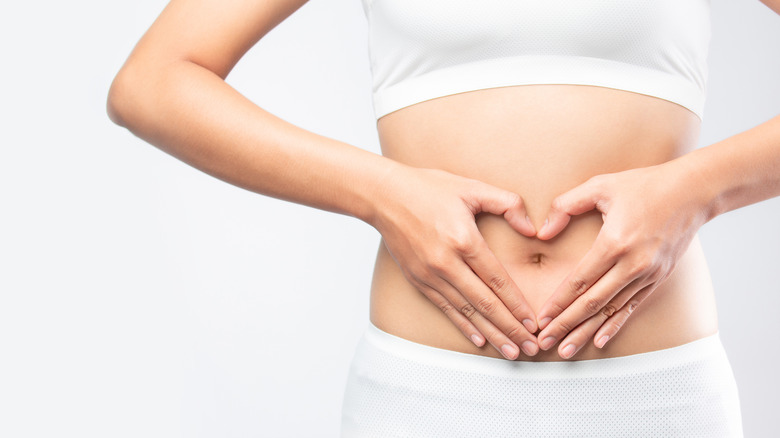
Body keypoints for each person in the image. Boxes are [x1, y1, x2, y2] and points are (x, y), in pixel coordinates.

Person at [107, 0, 780, 436]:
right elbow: (153, 83)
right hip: (427, 396)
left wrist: (700, 190)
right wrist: (379, 192)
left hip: (654, 398)